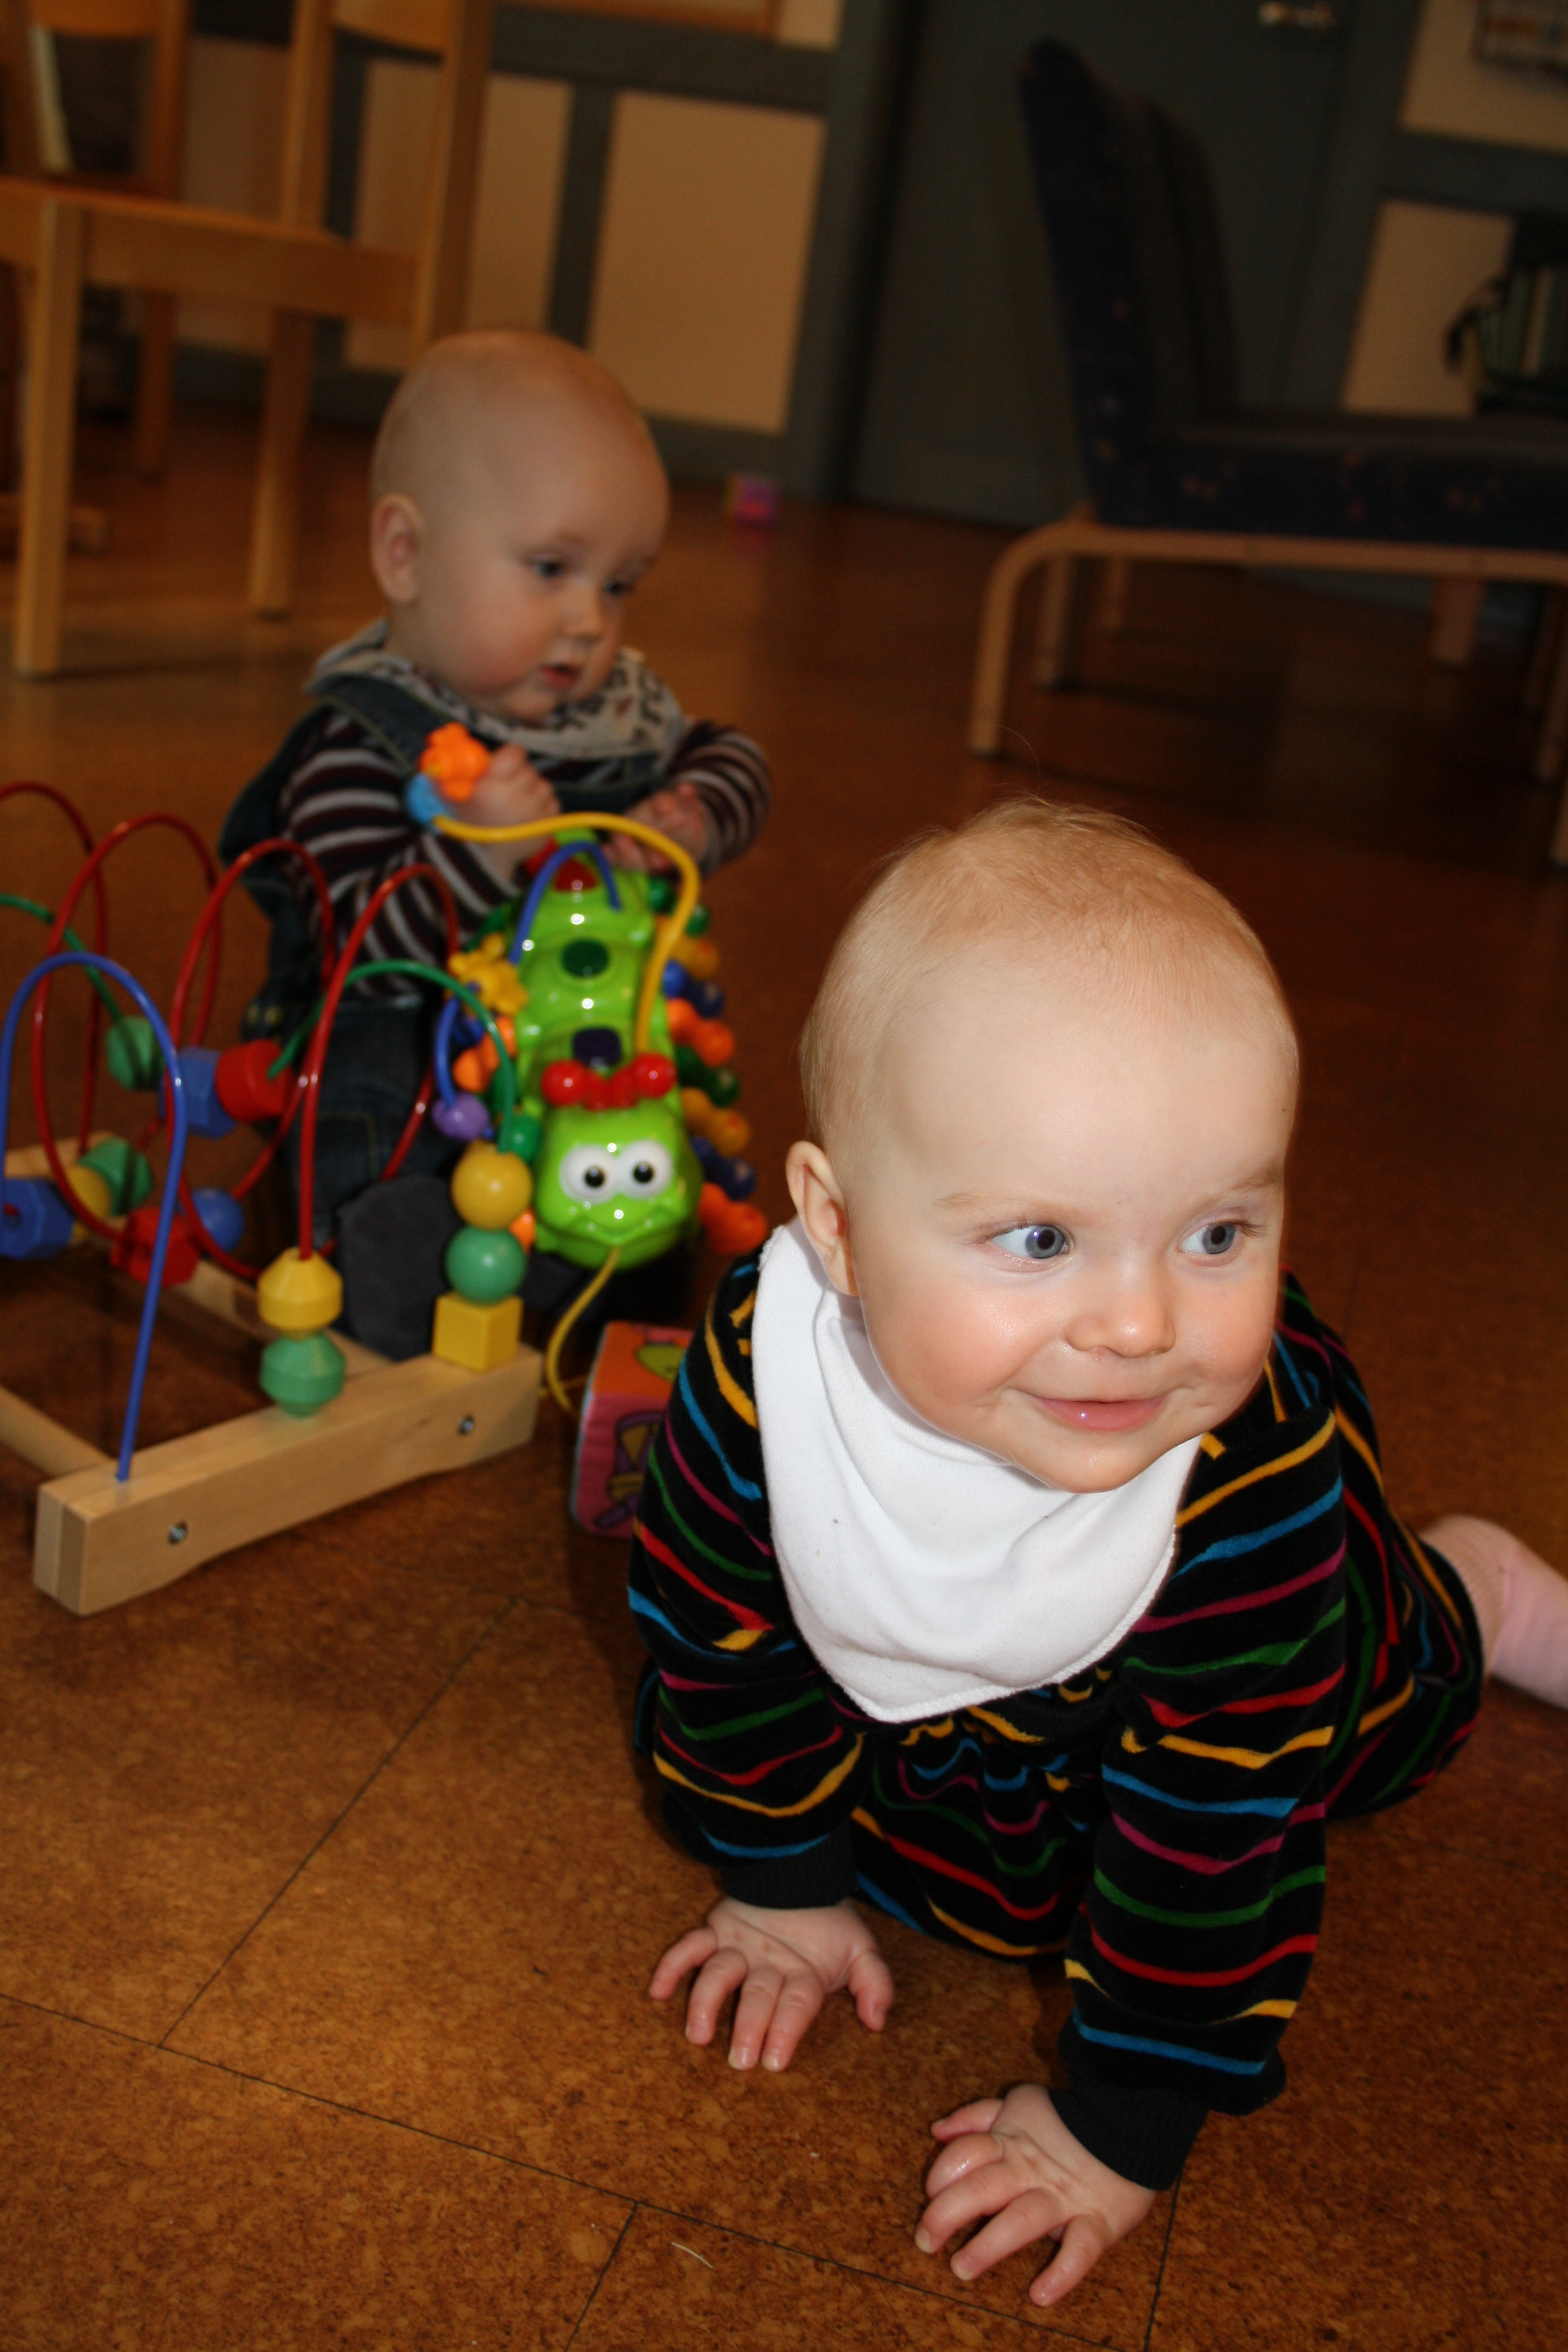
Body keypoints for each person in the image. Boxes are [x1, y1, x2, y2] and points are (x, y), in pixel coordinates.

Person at [629, 799, 1568, 2313]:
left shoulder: (1249, 1476)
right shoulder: (763, 1371)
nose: (1140, 1326)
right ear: (838, 1231)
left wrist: (1122, 2129)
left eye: (1217, 1234)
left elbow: (1217, 1825)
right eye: (1043, 1240)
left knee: (1388, 1711)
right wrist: (784, 1885)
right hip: (966, 1750)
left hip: (1280, 1674)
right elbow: (718, 1636)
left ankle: (1482, 1585)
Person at [220, 330, 769, 1330]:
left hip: (570, 1044)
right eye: (551, 567)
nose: (588, 621)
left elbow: (736, 759)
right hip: (406, 1033)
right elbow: (354, 943)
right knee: (370, 1072)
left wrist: (691, 816)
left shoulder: (614, 718)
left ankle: (608, 1260)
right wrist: (483, 851)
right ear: (405, 555)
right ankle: (365, 1248)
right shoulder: (355, 747)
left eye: (617, 584)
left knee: (641, 1080)